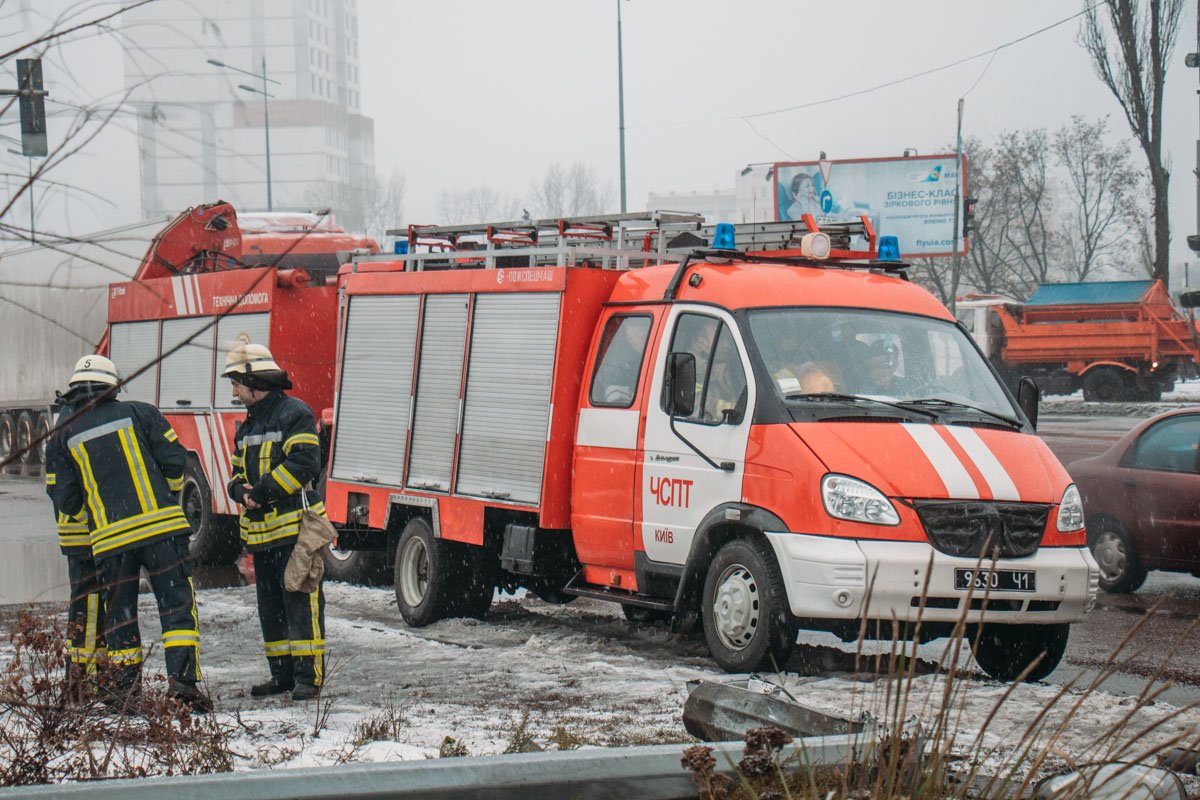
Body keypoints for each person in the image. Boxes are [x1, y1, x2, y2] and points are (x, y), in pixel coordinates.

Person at [46, 355, 209, 712]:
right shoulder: (141, 412)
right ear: (114, 386)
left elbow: (67, 499)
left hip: (111, 542)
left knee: (120, 616)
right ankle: (182, 685)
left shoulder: (64, 434)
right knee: (176, 605)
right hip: (163, 531)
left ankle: (125, 693)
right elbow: (174, 460)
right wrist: (164, 493)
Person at [222, 343, 327, 702]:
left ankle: (307, 679)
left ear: (254, 381)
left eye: (237, 383)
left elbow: (305, 463)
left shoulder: (295, 414)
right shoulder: (248, 425)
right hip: (262, 535)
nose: (234, 392)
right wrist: (238, 490)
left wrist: (262, 492)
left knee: (300, 600)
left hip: (295, 531)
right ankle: (281, 675)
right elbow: (236, 471)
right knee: (270, 607)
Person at [44, 406, 106, 695]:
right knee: (92, 608)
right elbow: (69, 494)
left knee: (84, 608)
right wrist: (94, 520)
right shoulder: (84, 424)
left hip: (75, 538)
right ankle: (86, 682)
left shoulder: (63, 426)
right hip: (88, 538)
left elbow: (55, 489)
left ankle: (81, 677)